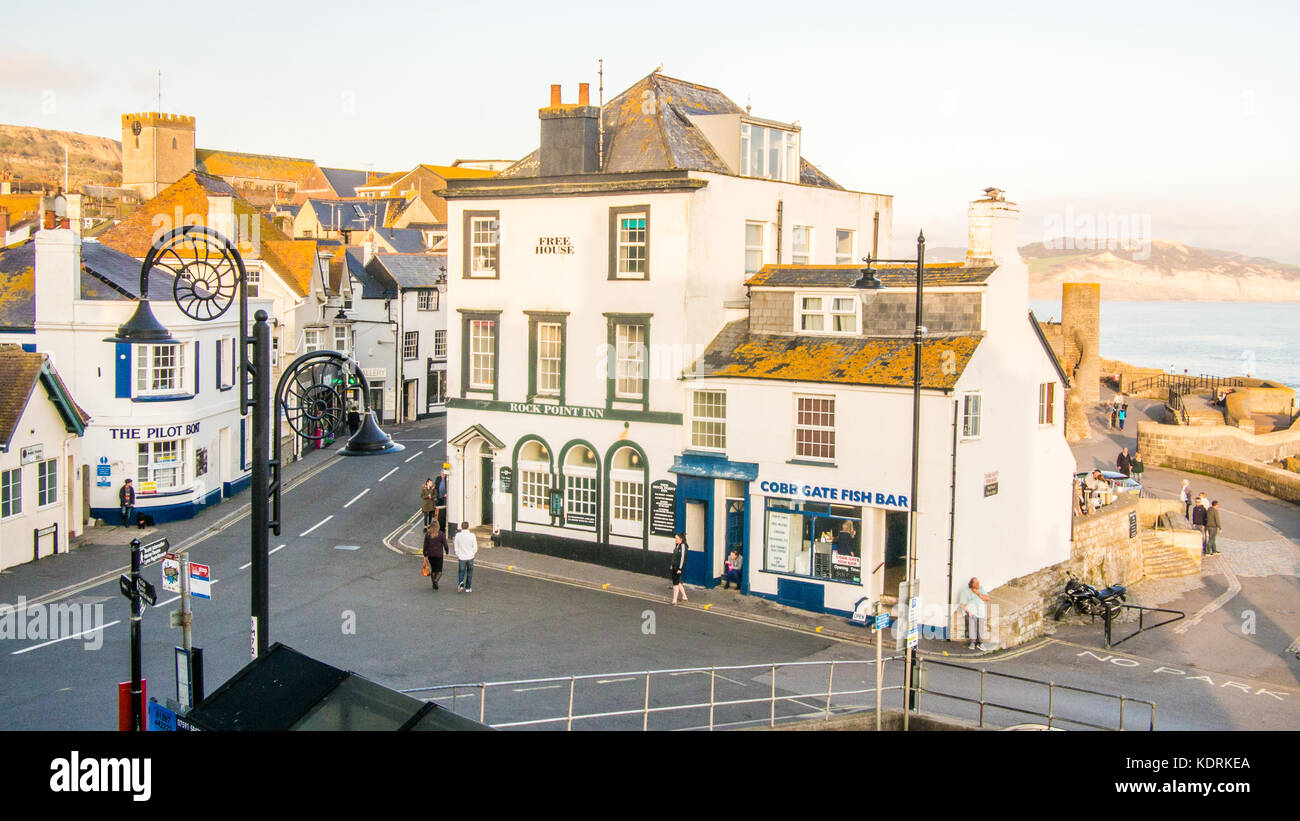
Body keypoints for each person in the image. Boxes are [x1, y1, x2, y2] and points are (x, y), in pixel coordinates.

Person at [957, 577, 991, 652]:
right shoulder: (965, 592)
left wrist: (977, 593)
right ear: (972, 584)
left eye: (978, 582)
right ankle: (972, 642)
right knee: (971, 626)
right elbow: (963, 604)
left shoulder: (981, 589)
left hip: (980, 612)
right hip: (971, 612)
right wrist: (968, 612)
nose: (979, 584)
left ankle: (981, 643)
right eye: (977, 583)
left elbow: (987, 598)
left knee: (980, 628)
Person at [453, 521, 478, 593]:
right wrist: (473, 553)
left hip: (462, 557)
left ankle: (461, 583)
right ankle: (468, 587)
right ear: (468, 527)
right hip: (470, 557)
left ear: (461, 527)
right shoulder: (472, 535)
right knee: (469, 572)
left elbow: (456, 546)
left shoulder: (458, 535)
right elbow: (475, 547)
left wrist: (458, 553)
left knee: (461, 571)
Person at [422, 523, 448, 590]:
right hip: (439, 555)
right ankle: (436, 580)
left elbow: (425, 545)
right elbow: (445, 544)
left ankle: (433, 583)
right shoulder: (441, 534)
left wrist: (424, 553)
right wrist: (447, 552)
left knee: (433, 570)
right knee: (439, 570)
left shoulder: (428, 535)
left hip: (430, 555)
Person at [670, 533, 689, 605]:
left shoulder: (683, 546)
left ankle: (674, 600)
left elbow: (682, 558)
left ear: (681, 539)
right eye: (675, 538)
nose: (675, 540)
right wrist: (672, 564)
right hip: (674, 566)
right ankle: (684, 597)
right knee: (677, 582)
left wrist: (680, 569)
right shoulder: (677, 545)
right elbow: (674, 556)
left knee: (675, 583)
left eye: (677, 538)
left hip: (678, 567)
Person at [435, 465, 450, 533]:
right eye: (442, 474)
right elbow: (436, 487)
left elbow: (449, 487)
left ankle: (443, 525)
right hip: (439, 497)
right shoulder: (438, 478)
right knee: (438, 510)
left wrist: (447, 494)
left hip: (445, 498)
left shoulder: (447, 479)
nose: (443, 475)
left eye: (444, 474)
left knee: (444, 510)